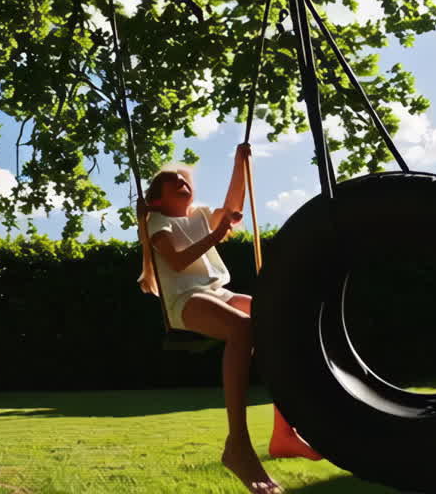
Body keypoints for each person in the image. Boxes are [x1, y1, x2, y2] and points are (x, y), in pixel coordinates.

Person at [137, 143, 320, 494]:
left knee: (274, 318)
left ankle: (284, 430)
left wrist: (239, 162)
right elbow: (176, 262)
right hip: (185, 300)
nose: (182, 182)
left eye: (184, 179)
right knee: (243, 328)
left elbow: (233, 205)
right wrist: (217, 235)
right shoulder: (157, 221)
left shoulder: (200, 214)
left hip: (217, 292)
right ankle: (237, 444)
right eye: (172, 181)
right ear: (157, 199)